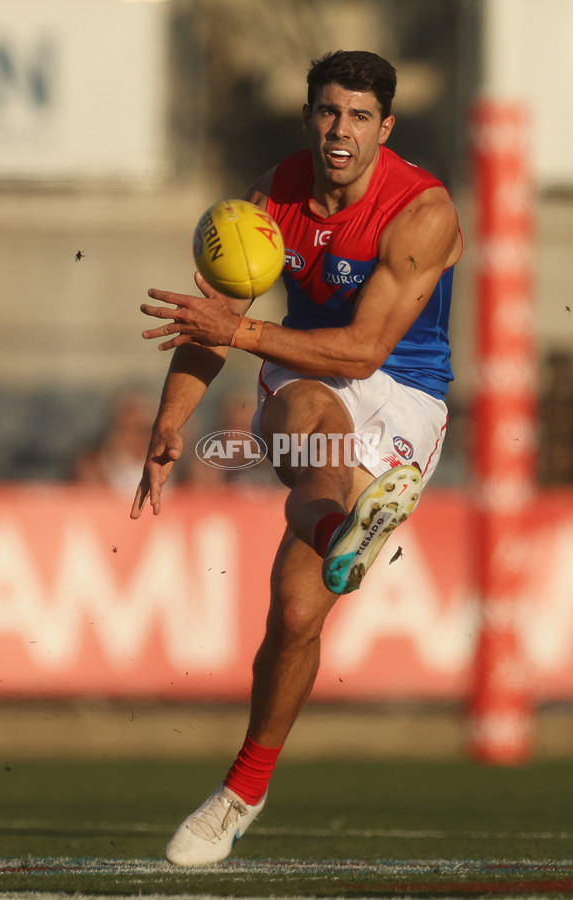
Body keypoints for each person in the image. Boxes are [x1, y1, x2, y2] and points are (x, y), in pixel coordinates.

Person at [131, 50, 462, 865]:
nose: (338, 130)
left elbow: (360, 351)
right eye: (326, 111)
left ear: (385, 128)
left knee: (294, 608)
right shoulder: (269, 197)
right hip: (309, 371)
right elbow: (217, 316)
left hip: (401, 389)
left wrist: (236, 334)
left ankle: (246, 782)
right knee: (303, 439)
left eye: (357, 116)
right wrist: (172, 423)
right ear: (308, 115)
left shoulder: (422, 212)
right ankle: (341, 533)